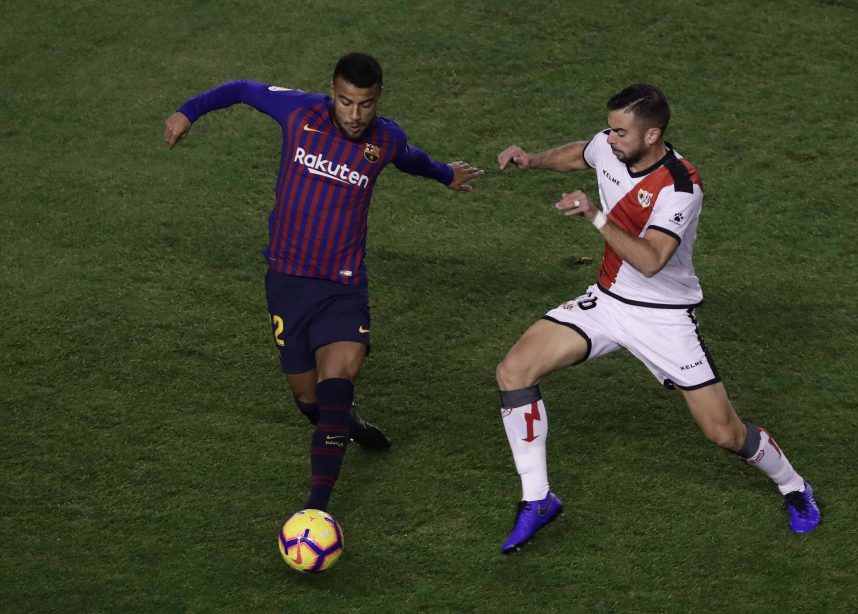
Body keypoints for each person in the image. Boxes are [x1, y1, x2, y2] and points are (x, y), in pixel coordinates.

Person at [495, 83, 820, 553]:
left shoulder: (681, 186)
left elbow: (651, 261)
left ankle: (794, 486)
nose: (609, 139)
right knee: (513, 370)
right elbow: (579, 154)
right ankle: (538, 498)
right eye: (609, 129)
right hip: (607, 303)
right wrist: (533, 159)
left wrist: (595, 216)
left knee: (723, 432)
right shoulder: (612, 146)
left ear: (653, 136)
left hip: (664, 318)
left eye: (620, 133)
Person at [163, 52, 483, 514]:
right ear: (332, 92)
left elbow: (408, 158)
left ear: (378, 100)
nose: (355, 116)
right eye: (346, 102)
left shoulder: (385, 139)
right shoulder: (299, 112)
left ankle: (317, 510)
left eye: (366, 105)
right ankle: (346, 426)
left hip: (342, 288)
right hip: (287, 284)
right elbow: (240, 88)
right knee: (308, 399)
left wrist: (444, 174)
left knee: (336, 386)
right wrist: (187, 112)